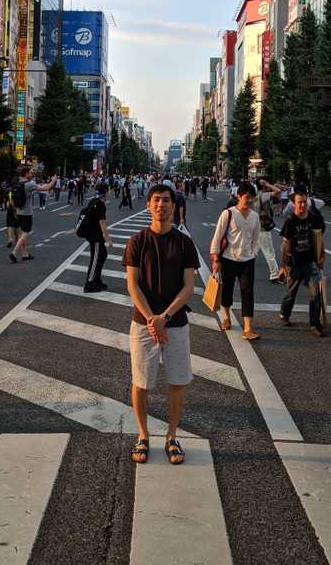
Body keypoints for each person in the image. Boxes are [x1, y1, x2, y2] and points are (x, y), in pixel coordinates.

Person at [124, 184, 197, 466]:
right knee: (141, 382)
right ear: (148, 205)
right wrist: (152, 320)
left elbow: (189, 287)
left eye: (166, 201)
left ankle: (171, 436)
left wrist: (163, 318)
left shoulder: (184, 243)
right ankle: (143, 434)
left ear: (173, 206)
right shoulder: (137, 241)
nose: (161, 205)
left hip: (175, 322)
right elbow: (133, 285)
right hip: (143, 324)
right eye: (156, 200)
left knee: (178, 381)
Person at [210, 181, 261, 341]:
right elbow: (218, 236)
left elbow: (256, 238)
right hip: (229, 259)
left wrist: (253, 253)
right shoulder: (228, 213)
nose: (249, 201)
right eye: (247, 197)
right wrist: (215, 257)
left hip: (247, 260)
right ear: (239, 196)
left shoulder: (255, 216)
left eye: (252, 198)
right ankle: (226, 316)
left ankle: (247, 328)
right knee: (227, 291)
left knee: (248, 293)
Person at [278, 186, 325, 336]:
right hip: (294, 264)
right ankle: (285, 314)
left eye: (304, 202)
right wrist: (283, 265)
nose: (302, 205)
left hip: (310, 263)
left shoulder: (313, 218)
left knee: (315, 295)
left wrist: (321, 257)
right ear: (294, 203)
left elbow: (319, 238)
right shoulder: (290, 221)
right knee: (291, 293)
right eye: (299, 202)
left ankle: (314, 325)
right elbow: (285, 244)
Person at [10, 168, 57, 262]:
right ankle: (14, 253)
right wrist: (53, 180)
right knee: (26, 233)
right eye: (31, 173)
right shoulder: (30, 184)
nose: (32, 174)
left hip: (18, 211)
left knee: (21, 233)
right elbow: (46, 188)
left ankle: (25, 254)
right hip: (27, 212)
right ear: (26, 174)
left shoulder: (17, 182)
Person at [83, 185, 112, 292]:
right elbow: (102, 223)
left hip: (95, 235)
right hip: (94, 236)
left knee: (103, 255)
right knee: (95, 259)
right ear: (105, 192)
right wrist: (108, 239)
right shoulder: (99, 204)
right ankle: (89, 284)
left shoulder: (94, 201)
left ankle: (97, 280)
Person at [256, 178, 281, 283]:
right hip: (263, 228)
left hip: (256, 227)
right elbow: (278, 191)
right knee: (269, 252)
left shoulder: (257, 194)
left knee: (250, 252)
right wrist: (267, 183)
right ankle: (274, 275)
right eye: (265, 183)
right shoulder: (263, 195)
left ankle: (237, 271)